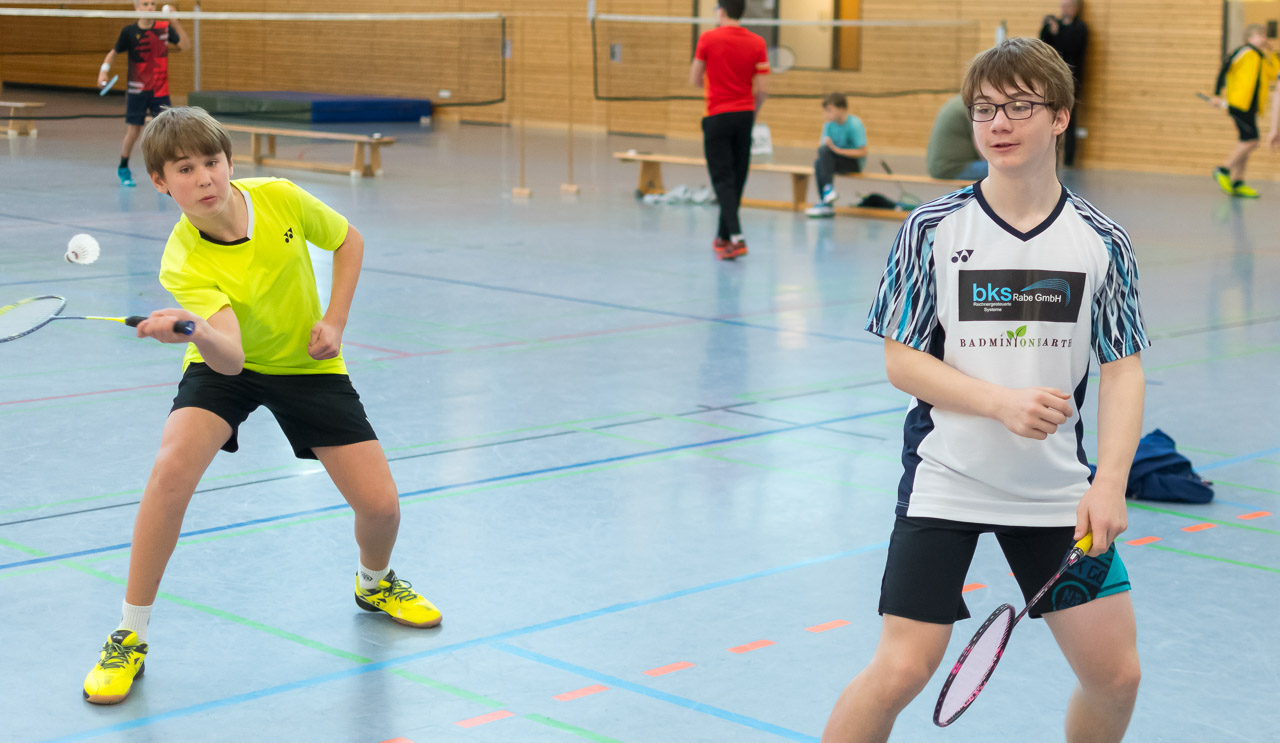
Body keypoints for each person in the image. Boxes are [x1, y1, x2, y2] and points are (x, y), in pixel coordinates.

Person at [824, 36, 1147, 743]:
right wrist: (1001, 403)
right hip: (949, 479)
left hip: (1055, 492)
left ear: (1060, 117)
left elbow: (1123, 367)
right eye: (984, 109)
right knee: (900, 670)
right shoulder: (932, 229)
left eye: (1019, 107)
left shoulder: (1102, 240)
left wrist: (1111, 482)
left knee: (1116, 676)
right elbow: (902, 361)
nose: (998, 123)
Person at [81, 107, 441, 706]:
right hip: (227, 366)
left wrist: (335, 321)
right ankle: (129, 633)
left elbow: (348, 240)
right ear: (161, 182)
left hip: (306, 363)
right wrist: (196, 330)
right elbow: (229, 359)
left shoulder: (280, 198)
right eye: (185, 169)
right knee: (170, 471)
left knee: (381, 508)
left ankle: (375, 582)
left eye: (212, 162)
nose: (204, 178)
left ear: (230, 162)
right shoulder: (183, 258)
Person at [689, 0, 769, 260]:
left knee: (723, 179)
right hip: (744, 116)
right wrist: (751, 113)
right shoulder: (757, 42)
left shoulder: (707, 39)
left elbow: (694, 80)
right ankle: (723, 236)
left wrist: (716, 81)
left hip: (717, 116)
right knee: (737, 177)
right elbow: (762, 90)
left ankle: (736, 236)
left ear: (721, 11)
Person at [97, 0, 190, 187]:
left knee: (166, 132)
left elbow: (186, 46)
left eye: (153, 4)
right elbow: (113, 53)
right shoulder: (129, 32)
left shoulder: (164, 28)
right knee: (134, 131)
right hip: (137, 90)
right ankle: (123, 166)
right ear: (137, 7)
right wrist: (103, 71)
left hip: (160, 89)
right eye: (145, 4)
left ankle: (166, 173)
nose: (150, 7)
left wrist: (175, 22)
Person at [1213, 24, 1278, 198]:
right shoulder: (1243, 52)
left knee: (1246, 141)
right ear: (1249, 38)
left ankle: (1238, 181)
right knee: (1252, 141)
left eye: (1265, 35)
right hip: (1238, 104)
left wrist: (1273, 54)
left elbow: (1275, 74)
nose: (1264, 38)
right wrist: (1217, 94)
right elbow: (1224, 69)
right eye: (1260, 35)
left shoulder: (1261, 57)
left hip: (1252, 107)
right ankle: (1223, 169)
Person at [1039, 0, 1087, 166]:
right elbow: (1044, 45)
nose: (1064, 10)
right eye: (1063, 6)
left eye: (1068, 6)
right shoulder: (1056, 24)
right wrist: (1048, 28)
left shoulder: (1080, 28)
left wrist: (1057, 33)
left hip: (1072, 79)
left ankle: (1068, 160)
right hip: (1052, 78)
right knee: (1048, 115)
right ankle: (1049, 155)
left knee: (1069, 119)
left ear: (1076, 8)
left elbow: (1071, 48)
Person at [805, 92, 867, 218]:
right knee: (819, 160)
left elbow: (862, 152)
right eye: (826, 111)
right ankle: (827, 199)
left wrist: (838, 151)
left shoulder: (854, 124)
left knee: (822, 157)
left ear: (842, 109)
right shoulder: (829, 124)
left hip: (853, 163)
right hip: (834, 160)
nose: (826, 114)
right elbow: (824, 148)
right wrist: (831, 148)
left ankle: (826, 197)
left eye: (830, 110)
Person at [926, 94, 987, 181]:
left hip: (941, 167)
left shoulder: (959, 103)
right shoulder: (971, 107)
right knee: (1004, 168)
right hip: (953, 168)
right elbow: (983, 150)